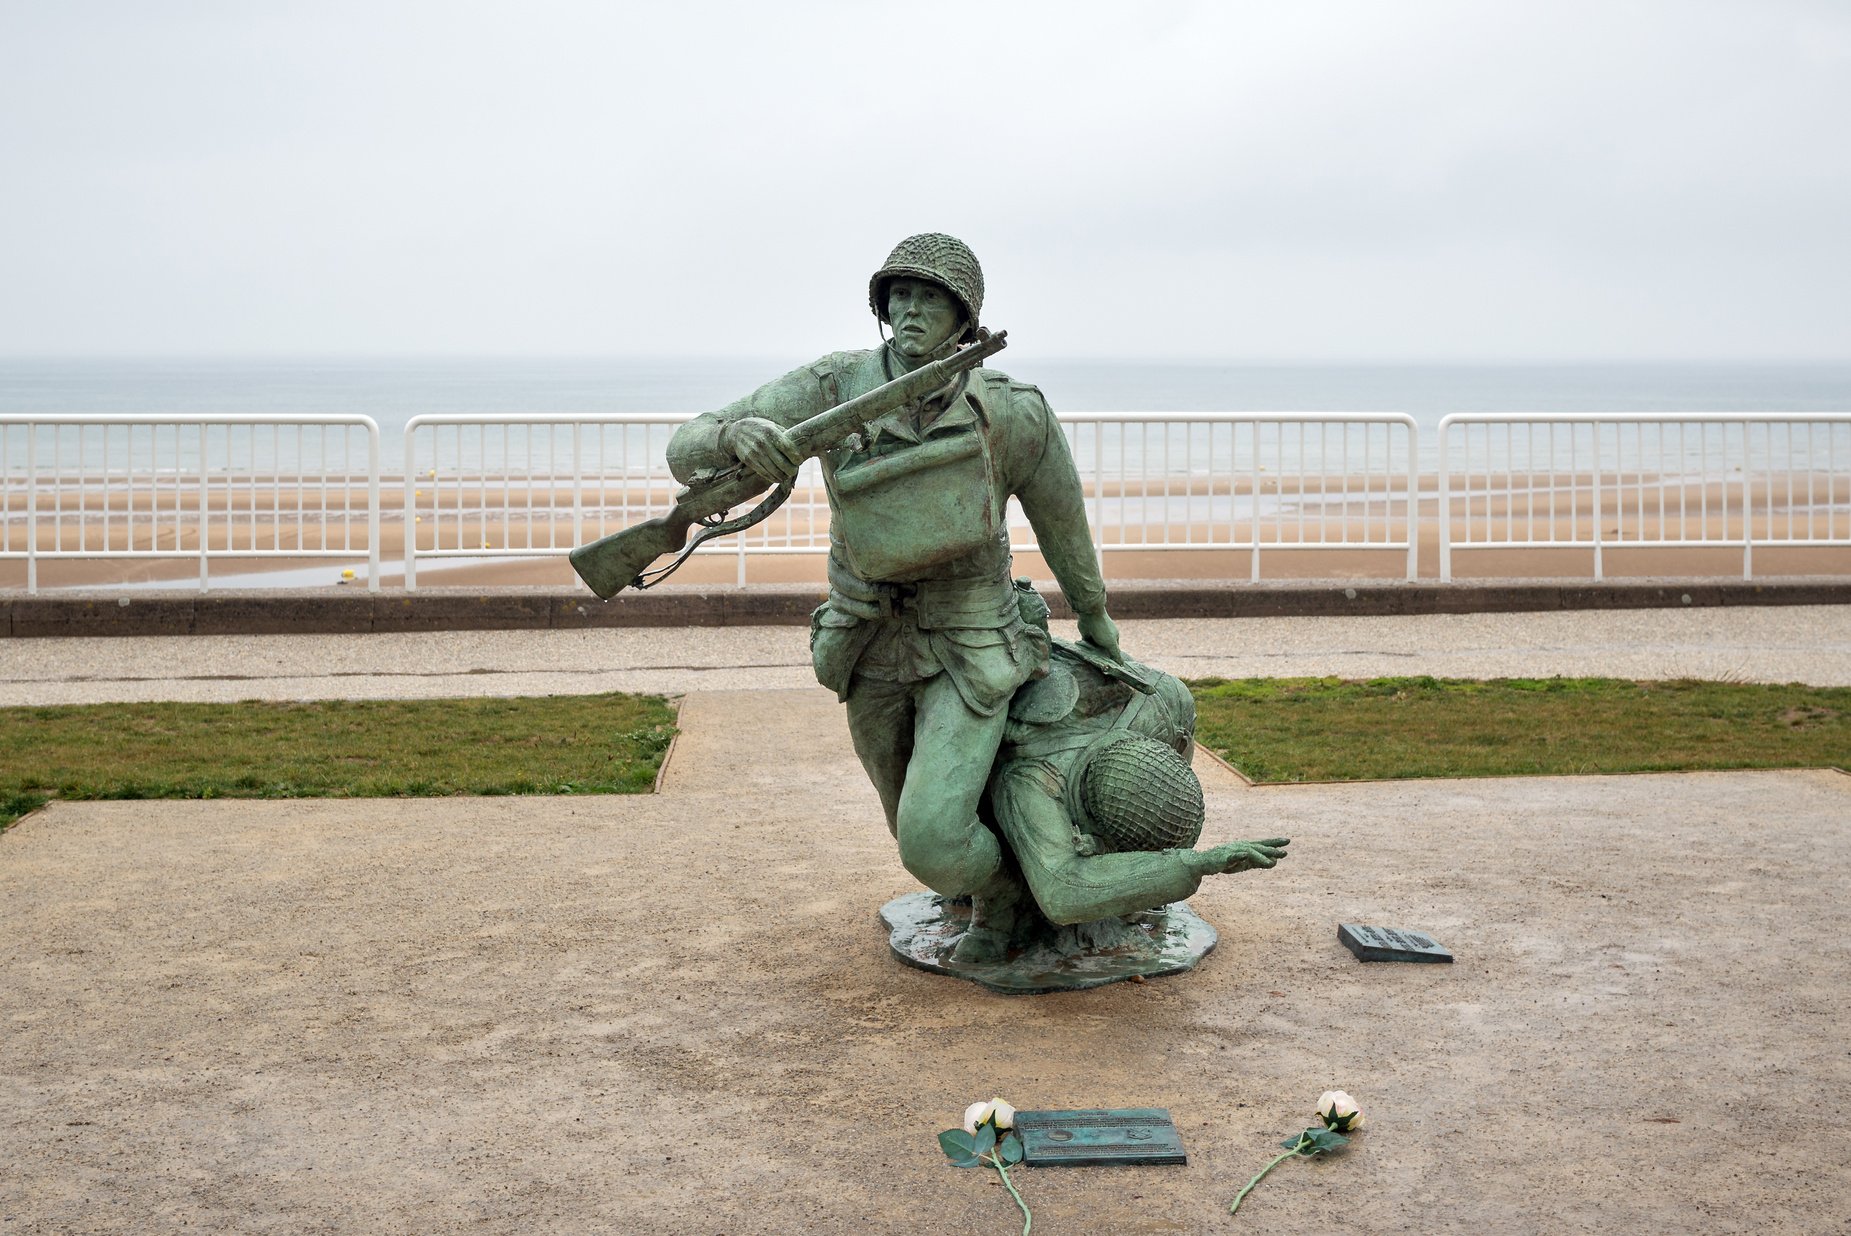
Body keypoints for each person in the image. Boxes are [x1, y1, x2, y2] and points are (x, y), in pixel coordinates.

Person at [665, 234, 1120, 943]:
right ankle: (991, 888)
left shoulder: (1013, 410)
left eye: (929, 298)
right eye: (900, 295)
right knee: (910, 826)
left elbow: (1062, 524)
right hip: (866, 639)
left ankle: (1011, 898)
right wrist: (736, 439)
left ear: (963, 317)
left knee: (931, 840)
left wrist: (1094, 616)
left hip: (971, 638)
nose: (910, 310)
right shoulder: (833, 386)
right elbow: (687, 445)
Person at [970, 633, 1290, 958]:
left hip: (1066, 687)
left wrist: (1156, 872)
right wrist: (1193, 864)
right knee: (976, 835)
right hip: (991, 689)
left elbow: (1177, 762)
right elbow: (1061, 893)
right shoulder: (1029, 780)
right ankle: (997, 906)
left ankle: (1128, 885)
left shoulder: (1167, 703)